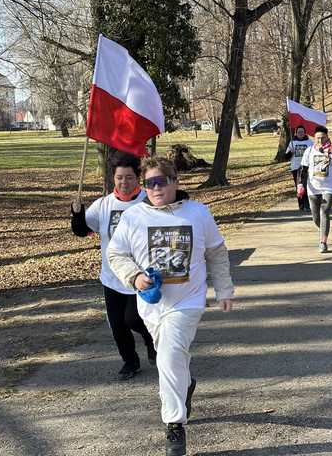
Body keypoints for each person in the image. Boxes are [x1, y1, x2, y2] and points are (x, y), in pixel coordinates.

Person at [108, 156, 234, 456]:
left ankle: (174, 427)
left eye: (161, 181)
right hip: (151, 306)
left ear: (175, 182)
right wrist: (135, 276)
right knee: (171, 360)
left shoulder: (197, 213)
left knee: (168, 355)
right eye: (149, 183)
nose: (155, 188)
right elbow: (116, 255)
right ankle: (186, 383)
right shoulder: (133, 217)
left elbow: (216, 253)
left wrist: (224, 289)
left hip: (188, 301)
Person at [70, 152, 156, 381]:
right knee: (117, 324)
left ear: (137, 177)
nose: (124, 182)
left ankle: (150, 340)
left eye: (129, 177)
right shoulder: (104, 204)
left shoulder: (149, 200)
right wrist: (77, 214)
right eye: (119, 178)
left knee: (134, 319)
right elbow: (81, 230)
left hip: (141, 273)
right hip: (112, 275)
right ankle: (130, 361)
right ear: (113, 179)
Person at [297, 126, 332, 253]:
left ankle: (323, 242)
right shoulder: (309, 151)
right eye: (317, 138)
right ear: (314, 138)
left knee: (324, 211)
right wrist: (300, 184)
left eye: (322, 138)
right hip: (313, 188)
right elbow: (303, 169)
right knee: (316, 216)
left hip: (329, 187)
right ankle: (323, 228)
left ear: (327, 137)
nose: (320, 140)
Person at [285, 125, 313, 212]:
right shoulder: (292, 142)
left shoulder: (309, 142)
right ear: (296, 133)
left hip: (306, 168)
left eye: (302, 132)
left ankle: (307, 205)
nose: (300, 133)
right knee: (299, 187)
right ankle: (301, 205)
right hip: (296, 168)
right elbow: (286, 157)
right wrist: (291, 152)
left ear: (305, 133)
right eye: (299, 132)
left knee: (306, 186)